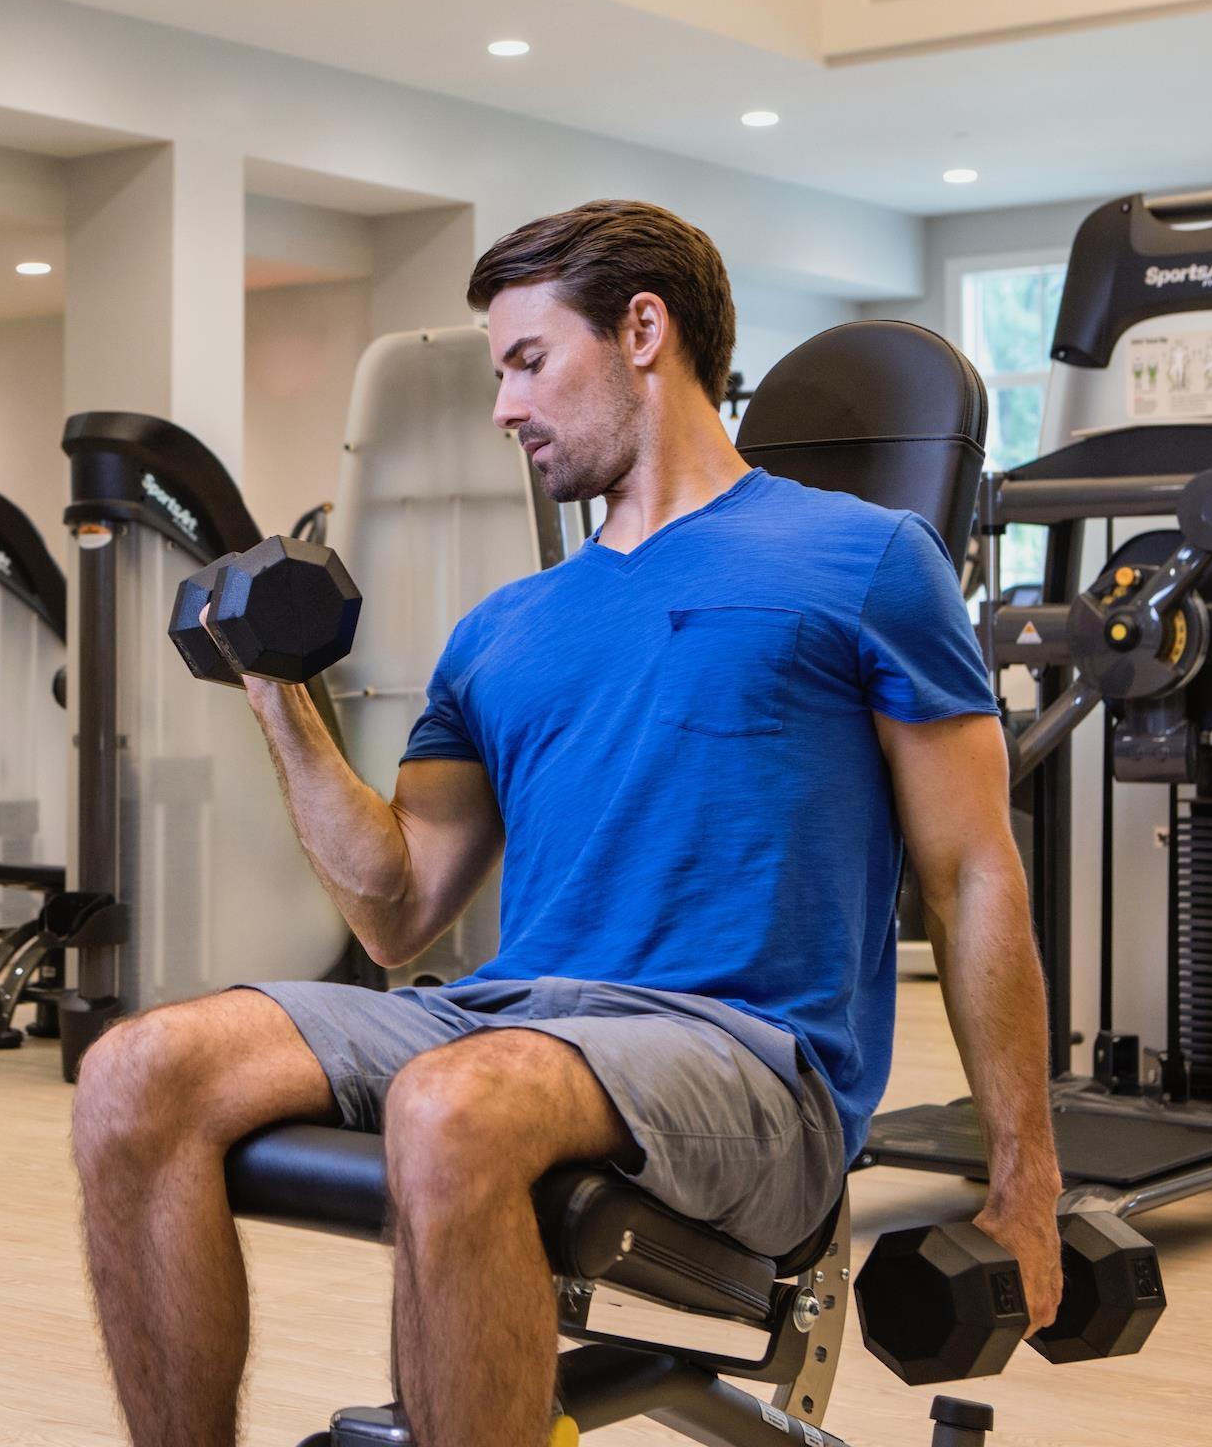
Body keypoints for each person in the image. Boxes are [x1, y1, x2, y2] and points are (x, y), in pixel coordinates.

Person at [70, 200, 1063, 1445]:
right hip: (508, 1017)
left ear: (644, 330)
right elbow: (395, 910)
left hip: (751, 1060)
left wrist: (1027, 1183)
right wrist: (274, 694)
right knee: (131, 1074)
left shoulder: (865, 560)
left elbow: (976, 874)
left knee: (455, 1103)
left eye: (529, 362)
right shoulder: (504, 627)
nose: (503, 407)